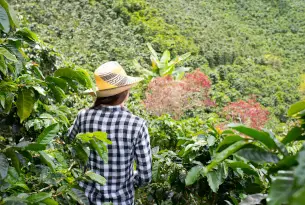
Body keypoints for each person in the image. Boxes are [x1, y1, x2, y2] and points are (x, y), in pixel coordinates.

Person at [68, 61, 152, 205]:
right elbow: (146, 175)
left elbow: (69, 142)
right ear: (125, 93)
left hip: (86, 199)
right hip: (121, 200)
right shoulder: (137, 125)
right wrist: (130, 180)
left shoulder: (83, 116)